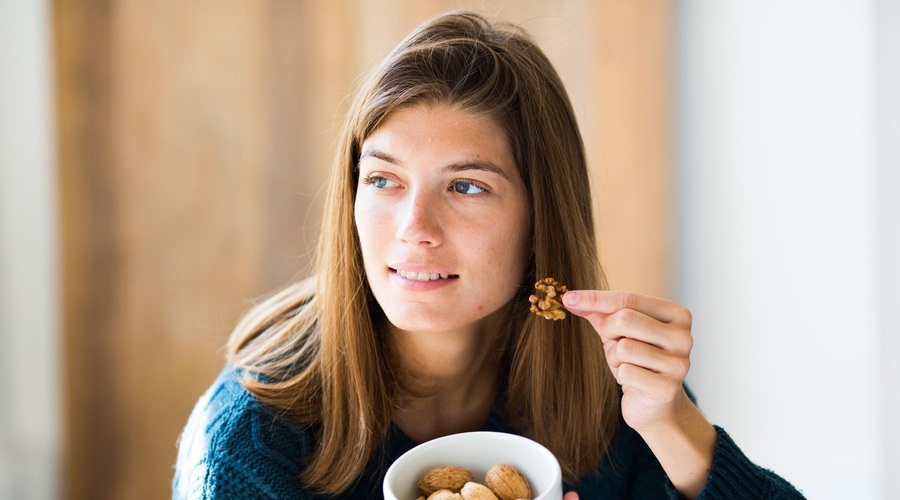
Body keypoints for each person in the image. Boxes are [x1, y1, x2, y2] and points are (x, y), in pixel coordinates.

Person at [173, 10, 803, 500]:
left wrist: (673, 424)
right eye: (384, 181)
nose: (413, 228)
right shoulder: (249, 442)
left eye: (466, 186)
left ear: (542, 215)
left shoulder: (611, 388)